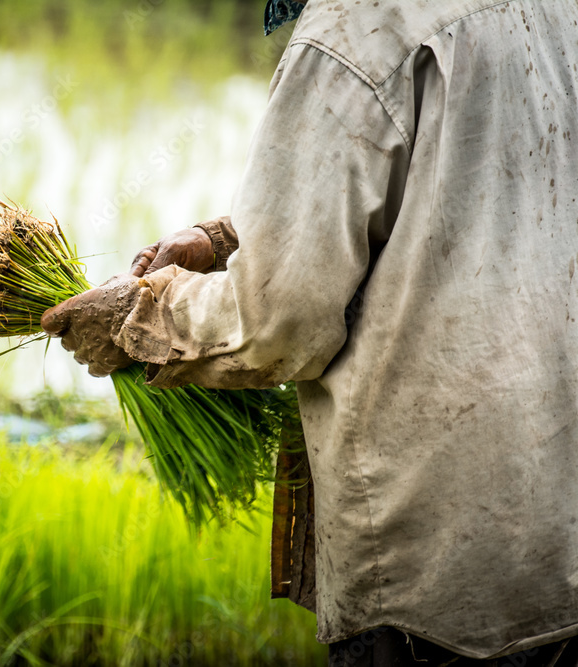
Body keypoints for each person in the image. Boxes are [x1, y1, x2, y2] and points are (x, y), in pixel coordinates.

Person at [41, 0, 578, 664]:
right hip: (563, 538)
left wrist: (138, 318)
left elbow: (279, 320)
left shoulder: (354, 28)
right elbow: (465, 175)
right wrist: (226, 237)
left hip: (437, 567)